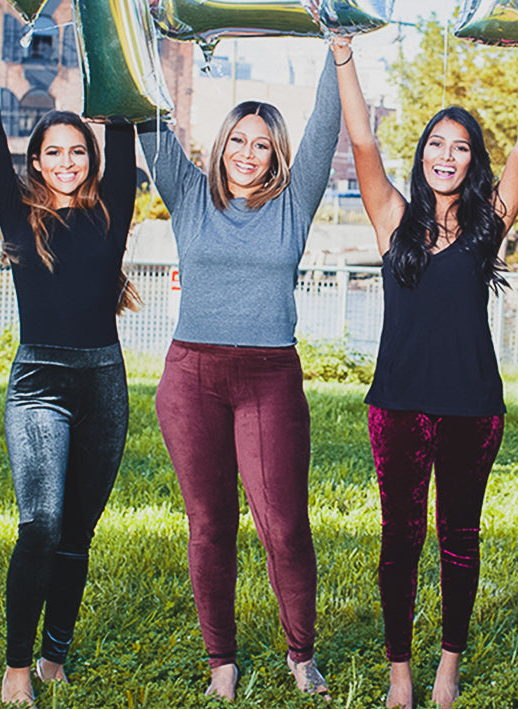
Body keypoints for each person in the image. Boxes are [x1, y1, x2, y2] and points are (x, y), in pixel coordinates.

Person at [332, 36, 518, 709]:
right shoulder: (392, 219)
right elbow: (362, 141)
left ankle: (448, 664)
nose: (446, 156)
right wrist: (343, 54)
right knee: (399, 541)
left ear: (472, 161)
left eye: (459, 147)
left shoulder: (488, 228)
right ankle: (400, 673)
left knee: (459, 539)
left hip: (471, 408)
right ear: (422, 153)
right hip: (397, 405)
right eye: (436, 144)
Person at [138, 53, 342, 700]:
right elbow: (147, 117)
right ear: (221, 143)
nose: (247, 153)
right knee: (210, 523)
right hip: (192, 377)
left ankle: (301, 654)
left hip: (268, 377)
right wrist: (142, 27)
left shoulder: (294, 202)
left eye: (261, 144)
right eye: (237, 140)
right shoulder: (188, 194)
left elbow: (325, 124)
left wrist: (337, 46)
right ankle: (220, 660)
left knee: (283, 523)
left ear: (276, 153)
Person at [0, 94, 138, 705]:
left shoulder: (111, 209)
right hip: (39, 384)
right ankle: (17, 665)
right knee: (40, 524)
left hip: (103, 384)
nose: (67, 162)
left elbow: (122, 119)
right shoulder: (19, 215)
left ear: (91, 159)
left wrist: (117, 43)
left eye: (77, 152)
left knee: (76, 534)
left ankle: (53, 658)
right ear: (36, 162)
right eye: (53, 153)